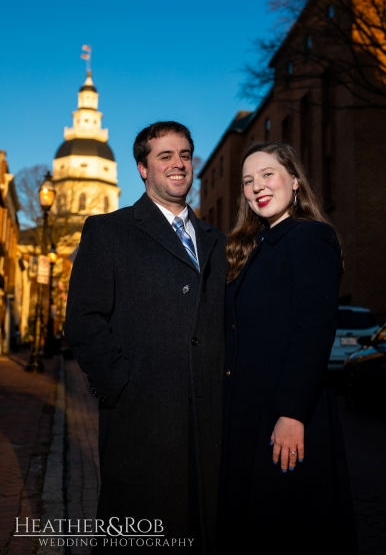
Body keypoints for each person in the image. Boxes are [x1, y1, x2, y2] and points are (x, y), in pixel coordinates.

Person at [65, 121, 226, 554]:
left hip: (208, 423)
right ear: (142, 168)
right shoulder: (108, 230)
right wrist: (120, 384)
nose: (179, 164)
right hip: (141, 420)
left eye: (186, 155)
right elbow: (83, 320)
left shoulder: (215, 239)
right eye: (165, 156)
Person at [219, 142, 358, 553]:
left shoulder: (311, 237)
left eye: (267, 174)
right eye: (247, 180)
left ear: (294, 181)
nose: (256, 186)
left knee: (286, 528)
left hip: (284, 412)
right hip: (246, 412)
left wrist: (292, 413)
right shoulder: (250, 248)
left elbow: (314, 330)